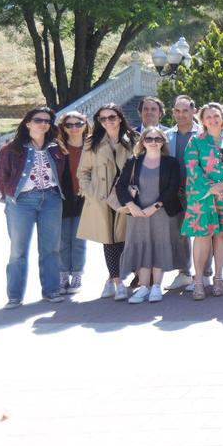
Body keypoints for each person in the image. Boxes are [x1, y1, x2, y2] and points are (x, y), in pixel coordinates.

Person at [0, 107, 65, 307]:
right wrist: (10, 196)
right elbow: (1, 177)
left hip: (51, 200)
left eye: (47, 121)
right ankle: (14, 296)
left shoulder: (56, 147)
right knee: (18, 250)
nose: (43, 124)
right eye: (38, 120)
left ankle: (51, 291)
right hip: (21, 202)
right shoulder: (11, 148)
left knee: (51, 249)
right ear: (28, 123)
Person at [181, 103, 223, 300]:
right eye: (208, 117)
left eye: (216, 116)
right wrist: (211, 187)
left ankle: (218, 277)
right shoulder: (195, 141)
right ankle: (198, 280)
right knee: (203, 235)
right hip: (202, 195)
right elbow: (192, 166)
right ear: (202, 121)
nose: (213, 120)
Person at [116, 126, 182, 303]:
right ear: (143, 142)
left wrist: (156, 206)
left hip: (162, 212)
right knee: (142, 247)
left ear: (163, 142)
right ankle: (144, 286)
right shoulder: (133, 162)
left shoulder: (171, 162)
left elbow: (173, 187)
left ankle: (156, 286)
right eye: (149, 139)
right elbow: (120, 186)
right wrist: (131, 206)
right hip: (138, 213)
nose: (153, 142)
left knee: (159, 246)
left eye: (157, 139)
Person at [78, 103, 134, 300]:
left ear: (120, 118)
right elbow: (83, 172)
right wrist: (90, 193)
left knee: (123, 239)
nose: (108, 121)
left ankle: (111, 279)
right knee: (109, 239)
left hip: (126, 197)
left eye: (112, 117)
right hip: (102, 198)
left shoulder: (132, 139)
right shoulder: (92, 142)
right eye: (103, 118)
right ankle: (118, 282)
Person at [165, 95, 203, 290]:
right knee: (180, 233)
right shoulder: (167, 136)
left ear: (194, 111)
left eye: (185, 110)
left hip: (198, 192)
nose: (181, 115)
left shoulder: (203, 134)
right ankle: (184, 273)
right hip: (175, 192)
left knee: (202, 233)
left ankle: (204, 274)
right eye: (177, 111)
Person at [55, 111, 89, 294]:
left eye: (78, 124)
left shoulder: (92, 146)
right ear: (64, 127)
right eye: (69, 125)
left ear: (85, 125)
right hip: (62, 198)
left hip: (85, 199)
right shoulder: (57, 148)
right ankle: (63, 275)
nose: (74, 128)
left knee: (78, 240)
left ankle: (77, 275)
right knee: (62, 241)